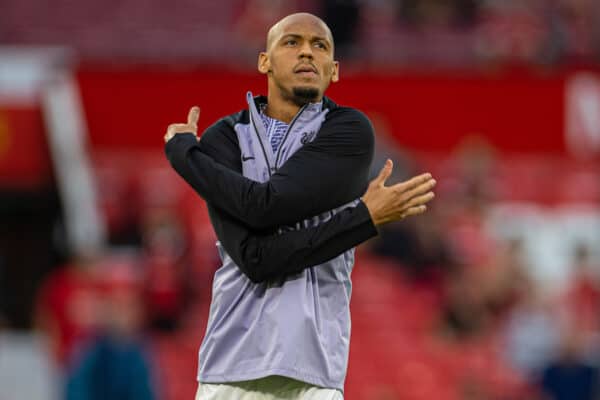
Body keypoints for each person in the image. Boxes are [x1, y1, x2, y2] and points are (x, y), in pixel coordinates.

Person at [164, 12, 436, 399]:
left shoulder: (349, 131)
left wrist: (185, 157)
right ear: (265, 61)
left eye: (319, 45)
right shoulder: (222, 137)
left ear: (334, 70)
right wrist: (362, 220)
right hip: (231, 367)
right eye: (291, 42)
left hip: (315, 370)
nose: (307, 52)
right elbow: (256, 258)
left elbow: (263, 210)